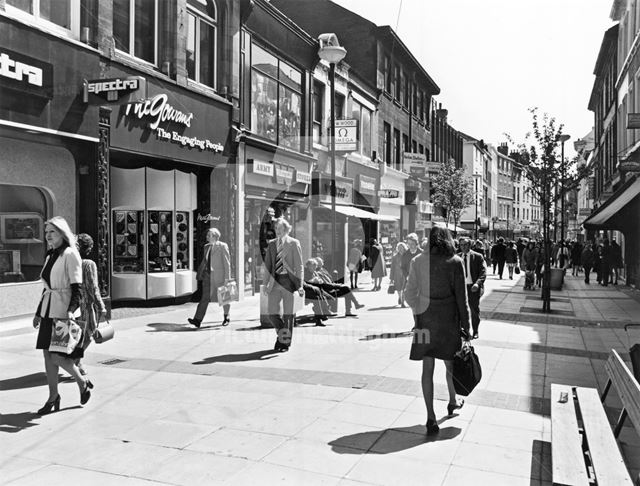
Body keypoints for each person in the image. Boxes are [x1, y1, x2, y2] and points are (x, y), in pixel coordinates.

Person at [405, 227, 471, 436]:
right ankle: (452, 401)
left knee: (427, 369)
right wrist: (467, 326)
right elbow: (463, 299)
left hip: (426, 321)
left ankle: (431, 417)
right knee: (450, 364)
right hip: (449, 322)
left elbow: (409, 294)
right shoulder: (455, 262)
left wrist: (419, 311)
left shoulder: (418, 261)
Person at [33, 217, 92, 415]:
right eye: (47, 232)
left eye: (52, 232)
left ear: (62, 233)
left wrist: (70, 310)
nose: (48, 235)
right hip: (48, 310)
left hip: (62, 311)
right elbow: (47, 287)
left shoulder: (71, 254)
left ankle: (81, 381)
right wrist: (38, 313)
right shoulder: (50, 254)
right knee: (47, 355)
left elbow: (78, 287)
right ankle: (53, 396)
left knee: (58, 355)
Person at [263, 217, 304, 352]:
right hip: (275, 282)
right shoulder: (272, 244)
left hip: (289, 281)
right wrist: (265, 284)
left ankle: (284, 342)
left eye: (280, 229)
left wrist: (300, 285)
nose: (277, 231)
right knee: (271, 314)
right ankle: (283, 337)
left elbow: (299, 266)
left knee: (288, 315)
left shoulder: (293, 243)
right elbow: (268, 266)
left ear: (286, 229)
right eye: (276, 229)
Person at [75, 233, 107, 376]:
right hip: (86, 305)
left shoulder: (70, 262)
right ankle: (75, 362)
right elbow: (93, 287)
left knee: (76, 335)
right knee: (88, 335)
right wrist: (101, 305)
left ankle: (75, 361)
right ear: (88, 248)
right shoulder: (89, 264)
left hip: (71, 305)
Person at [189, 228, 231, 328]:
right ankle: (197, 320)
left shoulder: (222, 246)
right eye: (207, 235)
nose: (207, 237)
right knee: (205, 298)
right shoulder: (206, 247)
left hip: (220, 276)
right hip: (208, 277)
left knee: (224, 298)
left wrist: (227, 279)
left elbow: (227, 264)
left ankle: (226, 317)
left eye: (209, 235)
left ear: (215, 236)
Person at [458, 237, 486, 339]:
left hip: (473, 288)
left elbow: (483, 272)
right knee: (461, 310)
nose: (463, 247)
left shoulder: (478, 257)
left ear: (470, 245)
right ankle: (464, 331)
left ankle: (475, 331)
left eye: (465, 245)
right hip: (461, 288)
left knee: (474, 310)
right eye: (461, 245)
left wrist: (477, 284)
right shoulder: (457, 257)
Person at [303, 259, 333, 326]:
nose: (314, 268)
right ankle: (321, 315)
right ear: (308, 266)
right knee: (317, 297)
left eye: (315, 266)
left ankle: (321, 317)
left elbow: (319, 280)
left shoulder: (314, 272)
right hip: (306, 293)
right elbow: (304, 284)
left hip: (315, 292)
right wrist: (313, 280)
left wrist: (319, 281)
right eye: (313, 266)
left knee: (321, 296)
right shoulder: (305, 272)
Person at [390, 242, 408, 307]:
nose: (400, 249)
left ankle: (403, 302)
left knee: (404, 288)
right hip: (397, 274)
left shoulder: (407, 255)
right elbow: (392, 268)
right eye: (399, 248)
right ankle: (400, 297)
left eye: (401, 248)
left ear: (404, 248)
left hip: (405, 274)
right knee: (398, 288)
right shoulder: (395, 257)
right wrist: (391, 278)